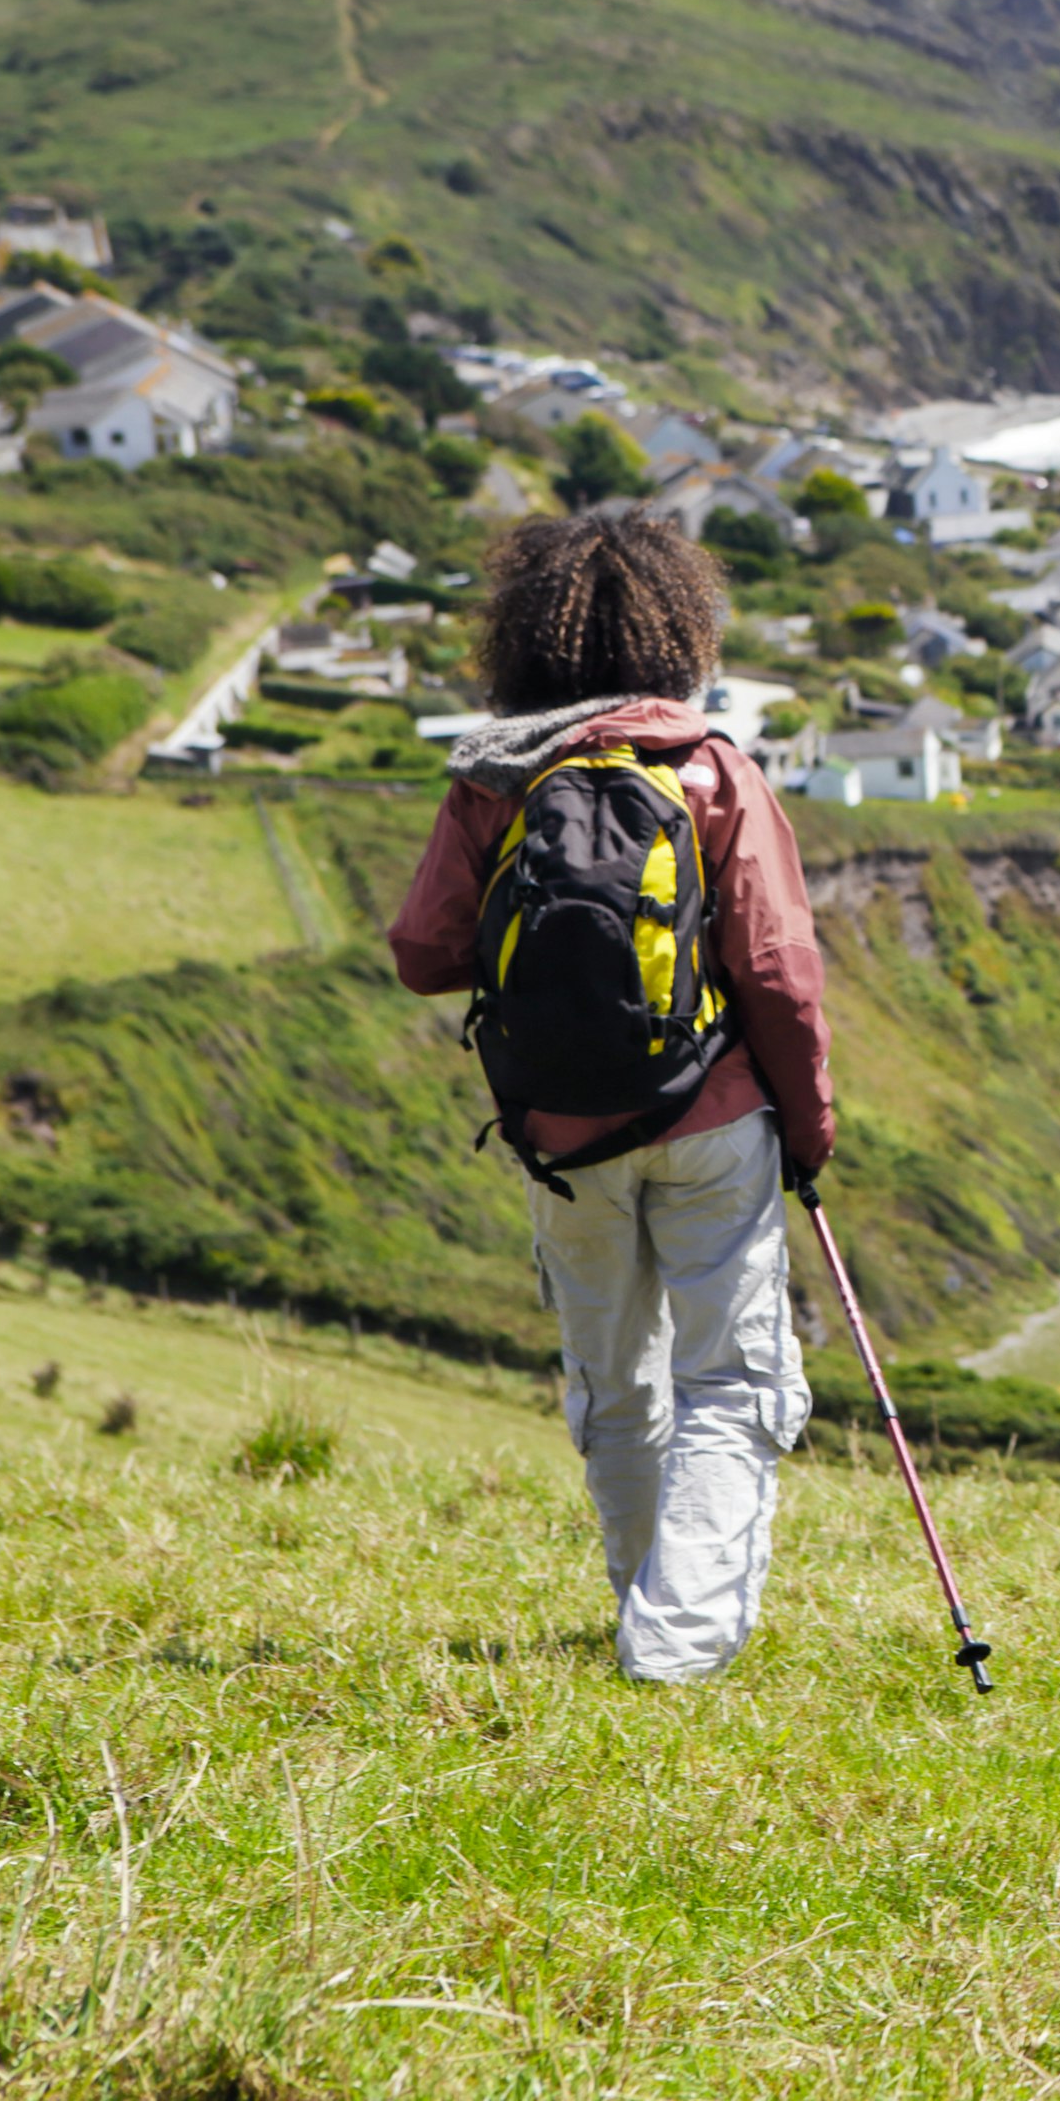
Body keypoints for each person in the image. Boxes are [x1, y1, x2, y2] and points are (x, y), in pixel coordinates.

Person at [387, 512, 834, 1685]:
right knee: (728, 1384)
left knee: (615, 1383)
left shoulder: (496, 776)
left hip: (560, 1136)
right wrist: (811, 1127)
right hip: (715, 1118)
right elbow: (780, 974)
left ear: (524, 639)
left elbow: (422, 953)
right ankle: (674, 1651)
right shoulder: (712, 768)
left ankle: (645, 1609)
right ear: (680, 627)